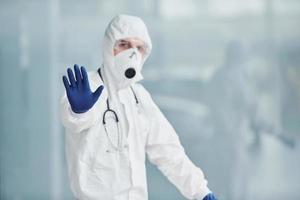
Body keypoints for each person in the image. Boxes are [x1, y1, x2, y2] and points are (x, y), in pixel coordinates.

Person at [60, 14, 217, 200]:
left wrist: (200, 191)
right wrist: (80, 112)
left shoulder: (139, 96)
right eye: (124, 44)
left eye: (139, 47)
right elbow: (73, 121)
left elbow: (167, 150)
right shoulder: (87, 86)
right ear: (109, 46)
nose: (132, 53)